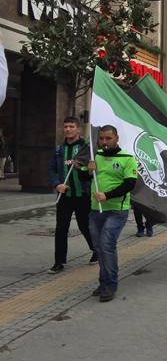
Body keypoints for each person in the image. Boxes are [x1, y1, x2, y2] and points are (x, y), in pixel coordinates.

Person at [87, 125, 137, 302]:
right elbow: (87, 177)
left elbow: (130, 184)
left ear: (117, 138)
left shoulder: (127, 159)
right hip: (95, 210)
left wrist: (107, 195)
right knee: (99, 247)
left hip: (116, 210)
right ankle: (103, 282)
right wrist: (89, 170)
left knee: (107, 245)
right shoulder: (96, 156)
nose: (104, 142)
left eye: (108, 138)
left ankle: (110, 285)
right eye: (101, 139)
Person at [47, 117, 97, 274]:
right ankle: (59, 262)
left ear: (78, 129)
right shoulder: (58, 150)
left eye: (71, 126)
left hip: (82, 195)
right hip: (65, 196)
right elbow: (52, 169)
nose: (68, 129)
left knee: (85, 225)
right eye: (66, 127)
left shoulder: (86, 148)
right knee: (61, 228)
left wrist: (88, 169)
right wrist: (57, 184)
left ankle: (96, 250)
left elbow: (93, 173)